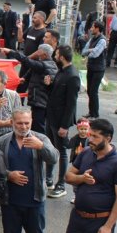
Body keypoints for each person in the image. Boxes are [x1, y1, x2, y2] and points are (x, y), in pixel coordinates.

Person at [0, 107, 58, 233]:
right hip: (10, 201)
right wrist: (8, 175)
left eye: (27, 123)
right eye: (20, 123)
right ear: (12, 123)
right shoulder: (3, 142)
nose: (23, 126)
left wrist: (41, 147)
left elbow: (54, 158)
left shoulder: (40, 138)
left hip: (35, 201)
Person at [45, 46, 81, 198]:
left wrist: (65, 126)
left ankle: (61, 184)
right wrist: (49, 85)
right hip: (51, 117)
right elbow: (55, 93)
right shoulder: (61, 71)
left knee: (61, 151)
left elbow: (71, 103)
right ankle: (48, 179)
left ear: (62, 57)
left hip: (60, 121)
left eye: (57, 54)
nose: (55, 56)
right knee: (51, 148)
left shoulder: (72, 76)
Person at [0, 44, 57, 133]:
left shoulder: (43, 65)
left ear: (45, 54)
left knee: (38, 126)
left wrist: (11, 52)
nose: (37, 53)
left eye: (39, 51)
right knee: (36, 124)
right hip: (40, 100)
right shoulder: (48, 64)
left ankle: (40, 144)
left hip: (40, 101)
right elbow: (32, 69)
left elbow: (27, 61)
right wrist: (25, 78)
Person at [82, 21, 107, 118]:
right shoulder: (92, 39)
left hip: (98, 69)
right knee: (89, 91)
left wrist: (90, 51)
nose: (91, 29)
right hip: (91, 67)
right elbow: (84, 51)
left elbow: (96, 54)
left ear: (97, 29)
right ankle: (91, 111)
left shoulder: (102, 40)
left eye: (93, 27)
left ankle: (95, 114)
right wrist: (90, 50)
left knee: (93, 91)